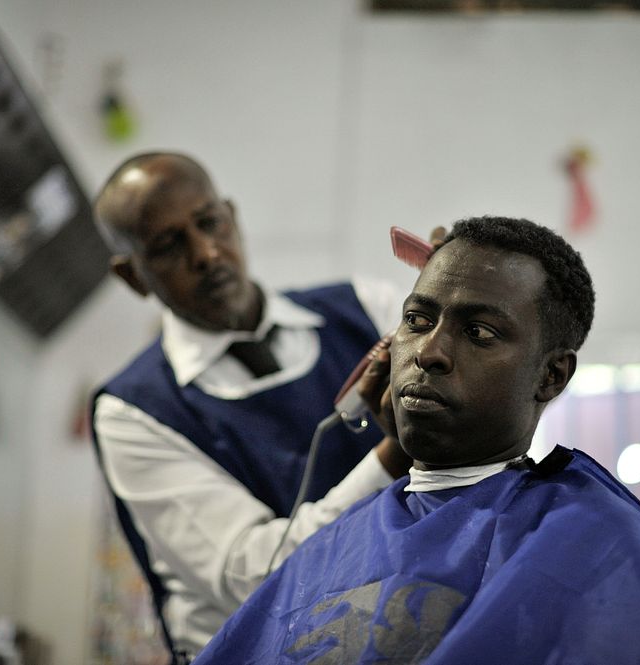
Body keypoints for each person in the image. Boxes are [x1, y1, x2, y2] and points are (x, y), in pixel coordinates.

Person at [193, 215, 640, 664]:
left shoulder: (599, 541)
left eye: (479, 331)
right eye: (416, 319)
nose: (429, 351)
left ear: (550, 376)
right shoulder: (330, 547)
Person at [90, 152, 416, 659]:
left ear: (232, 217)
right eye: (168, 245)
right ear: (132, 276)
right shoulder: (133, 412)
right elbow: (257, 576)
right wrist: (397, 452)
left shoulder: (365, 309)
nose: (206, 254)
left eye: (209, 223)